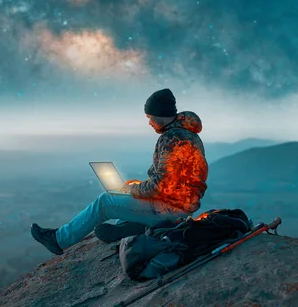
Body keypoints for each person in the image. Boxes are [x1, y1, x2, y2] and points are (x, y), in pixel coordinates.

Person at [30, 88, 209, 255]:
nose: (149, 123)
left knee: (105, 202)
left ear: (159, 115)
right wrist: (138, 186)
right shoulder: (188, 134)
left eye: (149, 117)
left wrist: (132, 190)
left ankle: (59, 240)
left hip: (172, 209)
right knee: (126, 200)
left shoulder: (172, 139)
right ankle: (134, 227)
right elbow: (174, 181)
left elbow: (160, 186)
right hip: (180, 203)